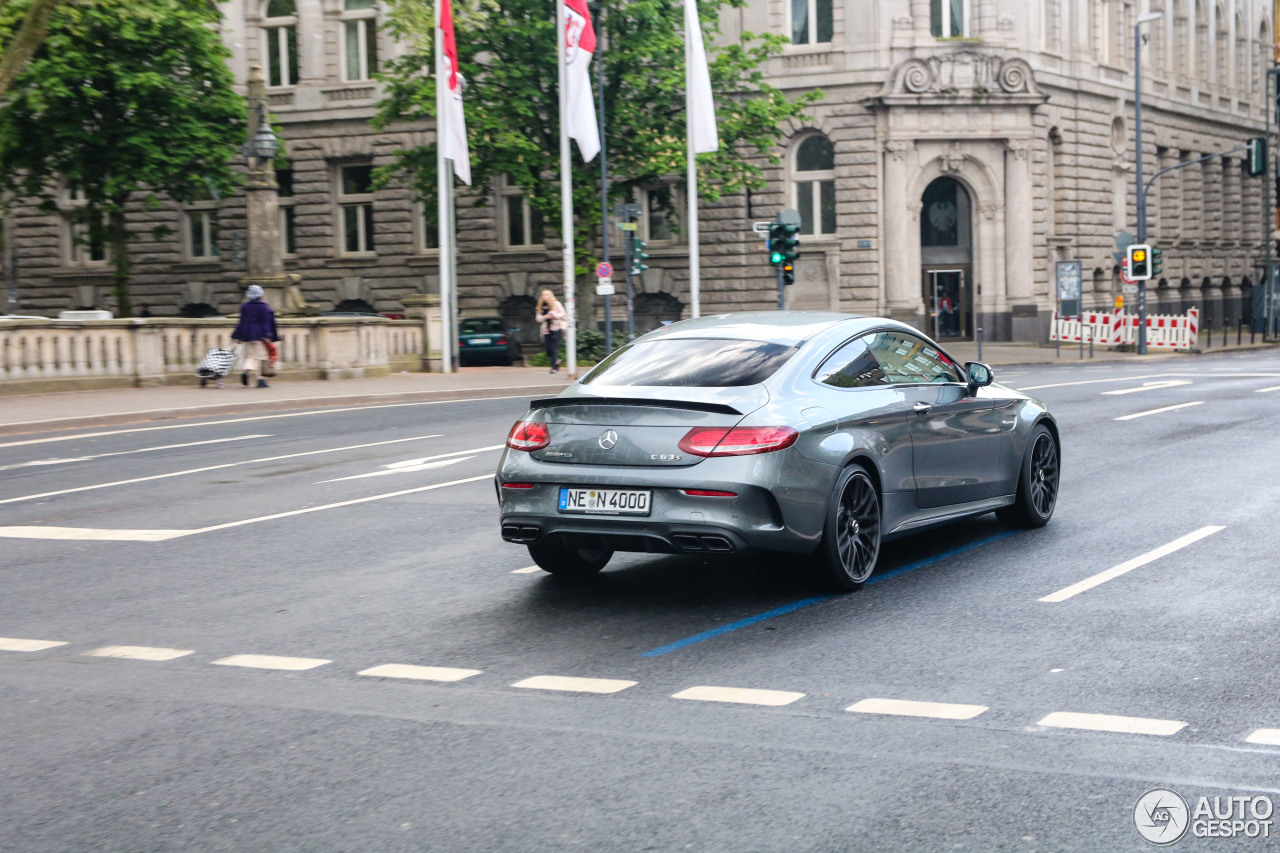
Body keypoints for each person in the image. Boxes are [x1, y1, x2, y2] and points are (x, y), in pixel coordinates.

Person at [231, 284, 279, 388]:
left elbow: (241, 322)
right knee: (261, 357)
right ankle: (258, 378)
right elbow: (265, 322)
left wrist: (238, 336)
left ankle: (251, 374)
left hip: (246, 335)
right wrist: (268, 335)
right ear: (260, 295)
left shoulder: (244, 306)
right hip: (259, 335)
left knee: (251, 356)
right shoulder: (263, 307)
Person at [536, 289, 566, 374]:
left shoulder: (556, 303)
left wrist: (554, 315)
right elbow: (538, 318)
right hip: (546, 330)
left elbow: (563, 313)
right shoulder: (541, 306)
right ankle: (557, 361)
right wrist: (546, 317)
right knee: (548, 349)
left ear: (550, 295)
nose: (545, 296)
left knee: (553, 347)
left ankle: (554, 367)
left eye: (546, 294)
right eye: (543, 295)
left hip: (556, 328)